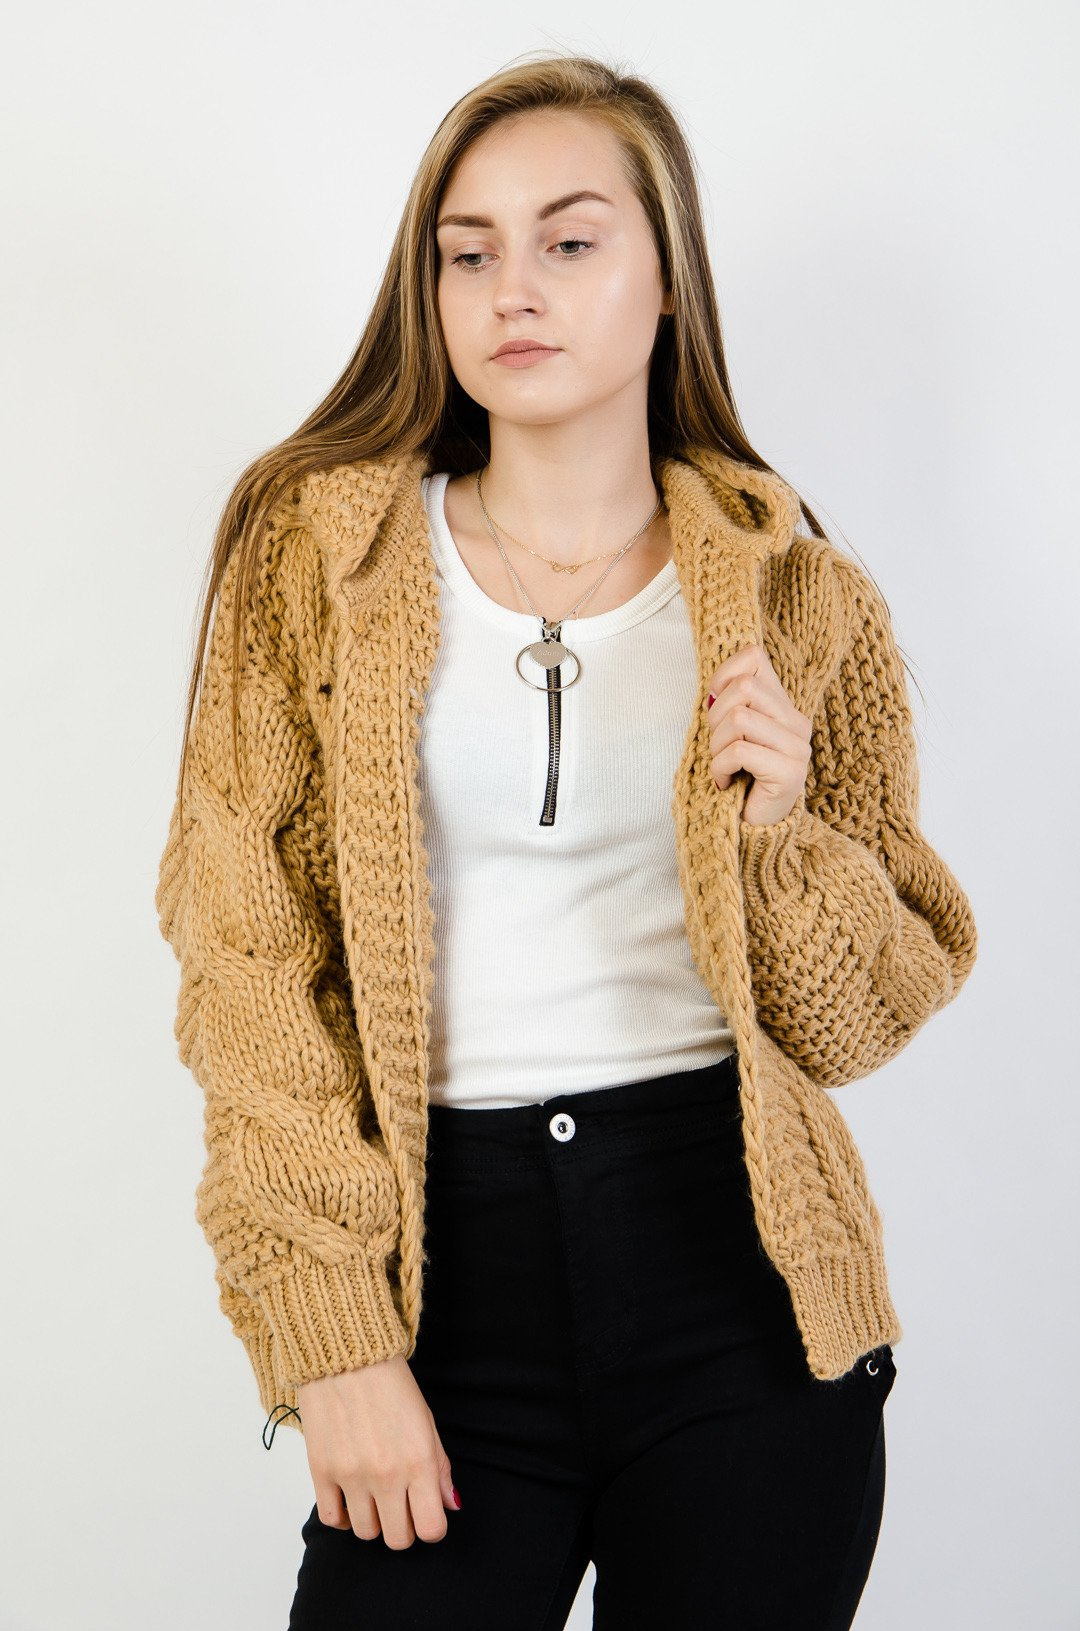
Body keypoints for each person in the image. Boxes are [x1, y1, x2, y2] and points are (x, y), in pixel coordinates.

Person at [155, 51, 978, 1631]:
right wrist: (335, 1340)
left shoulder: (798, 594)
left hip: (743, 1303)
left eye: (570, 241)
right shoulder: (316, 558)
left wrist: (782, 834)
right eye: (467, 253)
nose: (511, 290)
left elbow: (863, 1019)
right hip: (441, 1290)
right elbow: (243, 959)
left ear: (669, 279)